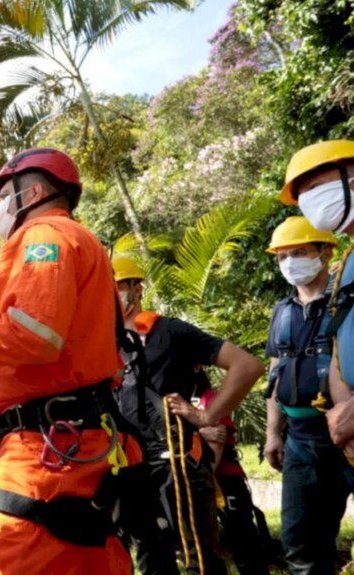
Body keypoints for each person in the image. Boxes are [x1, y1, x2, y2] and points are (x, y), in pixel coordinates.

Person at [0, 148, 156, 574]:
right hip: (74, 446)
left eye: (5, 194)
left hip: (46, 454)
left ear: (35, 192)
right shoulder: (83, 244)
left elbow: (33, 335)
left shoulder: (43, 236)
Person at [113, 253, 264, 575]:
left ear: (136, 288)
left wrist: (208, 417)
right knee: (150, 556)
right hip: (131, 466)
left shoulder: (170, 332)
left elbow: (247, 366)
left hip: (177, 462)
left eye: (117, 287)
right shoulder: (103, 345)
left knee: (201, 558)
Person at [264, 215, 354, 574]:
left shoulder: (346, 303)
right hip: (300, 441)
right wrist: (273, 433)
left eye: (299, 252)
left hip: (346, 434)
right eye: (282, 256)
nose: (290, 263)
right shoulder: (282, 313)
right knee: (300, 541)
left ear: (326, 251)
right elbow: (275, 372)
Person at [278, 141, 354, 461]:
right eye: (303, 196)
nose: (310, 201)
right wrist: (342, 415)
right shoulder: (348, 264)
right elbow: (337, 346)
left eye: (316, 187)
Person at [193, 374, 270, 575]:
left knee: (243, 542)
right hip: (192, 481)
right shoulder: (170, 403)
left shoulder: (210, 399)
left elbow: (216, 442)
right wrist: (199, 433)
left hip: (224, 480)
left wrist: (205, 482)